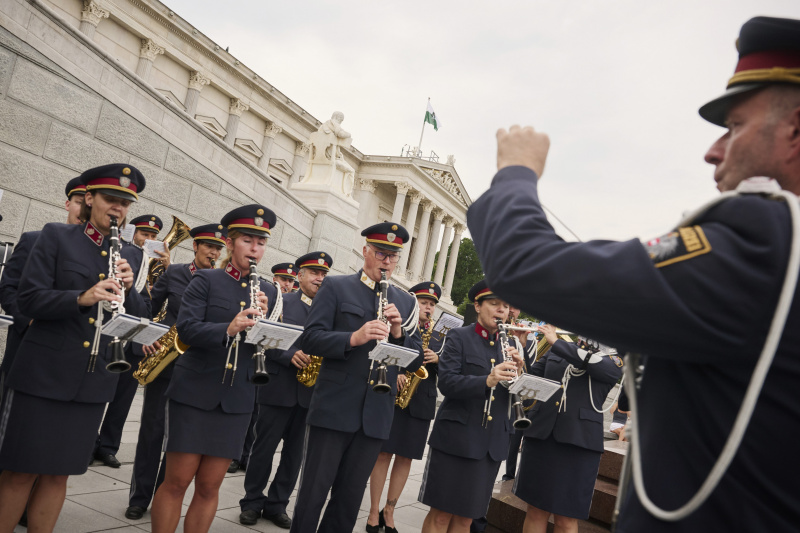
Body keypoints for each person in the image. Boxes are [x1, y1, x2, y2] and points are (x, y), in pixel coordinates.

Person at [466, 16, 800, 532]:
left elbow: (525, 267)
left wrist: (516, 175)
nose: (713, 150)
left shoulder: (764, 239)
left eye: (734, 127)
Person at [0, 164, 148, 532]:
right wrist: (80, 297)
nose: (118, 209)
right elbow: (29, 299)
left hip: (92, 382)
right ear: (87, 199)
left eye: (125, 204)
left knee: (58, 476)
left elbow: (140, 319)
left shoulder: (131, 255)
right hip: (43, 376)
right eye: (111, 200)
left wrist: (131, 290)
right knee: (20, 472)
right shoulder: (55, 237)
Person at [149, 204, 278, 533]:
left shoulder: (271, 292)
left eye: (261, 243)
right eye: (248, 241)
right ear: (231, 242)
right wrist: (229, 328)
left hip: (236, 399)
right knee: (177, 481)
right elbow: (188, 330)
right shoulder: (206, 280)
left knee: (209, 486)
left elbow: (273, 344)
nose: (255, 249)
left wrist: (270, 324)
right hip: (195, 392)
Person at [289, 222, 423, 533]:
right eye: (380, 253)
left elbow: (415, 357)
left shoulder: (406, 302)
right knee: (313, 492)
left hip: (375, 413)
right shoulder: (337, 287)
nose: (386, 261)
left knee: (349, 498)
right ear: (365, 252)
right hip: (334, 408)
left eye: (393, 256)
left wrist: (400, 333)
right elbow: (311, 338)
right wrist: (354, 337)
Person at [124, 223, 226, 520]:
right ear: (195, 247)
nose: (214, 252)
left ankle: (160, 496)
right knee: (152, 432)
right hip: (166, 363)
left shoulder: (220, 282)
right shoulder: (175, 273)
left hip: (198, 369)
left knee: (179, 440)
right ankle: (139, 497)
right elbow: (150, 306)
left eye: (218, 248)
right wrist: (147, 337)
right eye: (209, 246)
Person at [419, 280, 523, 533]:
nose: (501, 310)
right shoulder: (459, 337)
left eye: (506, 306)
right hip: (457, 439)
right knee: (441, 515)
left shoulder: (512, 346)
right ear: (477, 306)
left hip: (491, 444)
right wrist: (487, 380)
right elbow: (448, 383)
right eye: (494, 303)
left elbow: (518, 397)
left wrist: (521, 372)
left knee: (466, 518)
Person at [239, 251, 333, 529]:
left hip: (311, 394)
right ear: (299, 275)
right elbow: (262, 338)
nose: (319, 278)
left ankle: (277, 504)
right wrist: (288, 354)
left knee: (295, 455)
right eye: (314, 273)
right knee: (263, 449)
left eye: (323, 274)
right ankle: (251, 502)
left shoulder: (329, 308)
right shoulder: (282, 302)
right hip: (278, 387)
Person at [514, 325, 623, 533]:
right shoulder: (561, 348)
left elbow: (599, 367)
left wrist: (557, 342)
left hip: (577, 444)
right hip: (542, 437)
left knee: (566, 517)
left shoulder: (614, 359)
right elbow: (530, 379)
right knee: (535, 510)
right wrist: (521, 349)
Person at [367, 281, 444, 533]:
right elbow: (381, 351)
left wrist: (438, 359)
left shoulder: (440, 336)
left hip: (420, 402)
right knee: (383, 454)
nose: (428, 308)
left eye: (432, 305)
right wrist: (396, 370)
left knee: (405, 458)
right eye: (424, 303)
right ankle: (372, 511)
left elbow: (450, 373)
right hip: (394, 396)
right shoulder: (400, 324)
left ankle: (389, 510)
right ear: (413, 303)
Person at [92, 213, 167, 469]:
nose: (149, 240)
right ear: (134, 233)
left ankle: (108, 446)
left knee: (123, 399)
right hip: (108, 330)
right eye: (145, 234)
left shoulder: (156, 263)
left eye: (153, 236)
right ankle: (90, 442)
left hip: (135, 339)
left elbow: (152, 304)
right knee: (98, 393)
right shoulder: (121, 250)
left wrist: (165, 268)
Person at [0, 176, 86, 395]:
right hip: (26, 347)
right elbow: (8, 288)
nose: (84, 210)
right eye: (79, 202)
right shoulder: (33, 240)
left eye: (89, 204)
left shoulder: (103, 254)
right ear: (67, 204)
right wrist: (27, 319)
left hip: (69, 357)